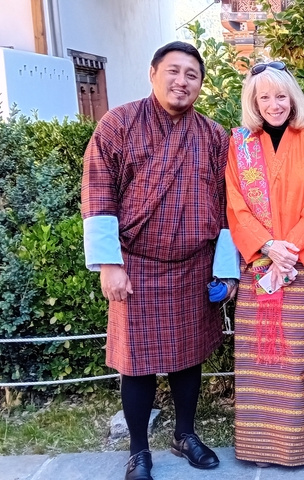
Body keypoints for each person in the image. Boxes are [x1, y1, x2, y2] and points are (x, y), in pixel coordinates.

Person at [82, 41, 240, 480]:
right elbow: (98, 194)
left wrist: (227, 271)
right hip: (136, 265)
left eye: (192, 74)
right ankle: (138, 450)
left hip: (194, 263)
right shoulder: (118, 124)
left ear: (201, 84)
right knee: (137, 363)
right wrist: (109, 264)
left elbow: (230, 207)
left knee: (189, 358)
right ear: (153, 73)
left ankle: (185, 434)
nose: (182, 81)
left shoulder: (213, 135)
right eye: (173, 71)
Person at [225, 61, 304, 467]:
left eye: (281, 95)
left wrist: (291, 251)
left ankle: (291, 450)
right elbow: (235, 204)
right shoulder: (241, 145)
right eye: (264, 96)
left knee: (295, 360)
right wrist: (267, 246)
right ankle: (256, 447)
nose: (273, 104)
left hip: (299, 268)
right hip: (258, 266)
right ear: (253, 101)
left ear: (293, 98)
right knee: (257, 361)